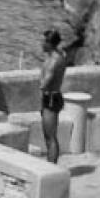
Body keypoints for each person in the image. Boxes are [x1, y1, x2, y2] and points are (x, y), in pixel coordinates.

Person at [38, 27, 68, 165]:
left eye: (43, 42)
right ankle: (50, 163)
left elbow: (45, 82)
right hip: (51, 97)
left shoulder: (54, 60)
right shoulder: (56, 56)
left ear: (49, 43)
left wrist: (42, 83)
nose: (41, 44)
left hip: (51, 98)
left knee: (50, 137)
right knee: (48, 136)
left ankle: (51, 166)